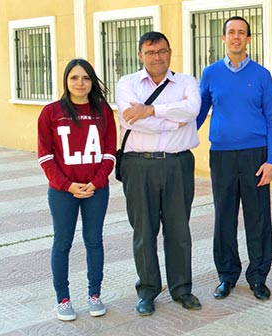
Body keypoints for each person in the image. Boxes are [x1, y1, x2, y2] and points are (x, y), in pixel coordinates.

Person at [116, 31, 202, 316]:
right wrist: (170, 121)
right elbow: (130, 120)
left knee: (179, 229)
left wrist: (150, 110)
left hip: (178, 164)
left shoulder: (187, 81)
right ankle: (148, 291)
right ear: (140, 55)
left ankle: (182, 289)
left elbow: (192, 110)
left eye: (162, 51)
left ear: (170, 52)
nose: (157, 57)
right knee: (144, 230)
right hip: (139, 165)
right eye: (150, 52)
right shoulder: (127, 83)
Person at [197, 16, 272, 301]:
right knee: (224, 218)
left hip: (255, 156)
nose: (236, 37)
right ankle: (227, 275)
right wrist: (174, 140)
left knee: (258, 219)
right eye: (231, 32)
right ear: (223, 38)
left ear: (248, 39)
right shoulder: (210, 74)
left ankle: (258, 276)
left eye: (241, 33)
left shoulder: (261, 74)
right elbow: (197, 113)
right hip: (221, 156)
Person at [37, 58, 116, 321]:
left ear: (92, 81)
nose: (80, 83)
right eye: (74, 78)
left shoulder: (103, 112)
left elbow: (109, 153)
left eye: (85, 78)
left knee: (94, 241)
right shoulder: (51, 112)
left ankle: (95, 294)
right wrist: (67, 185)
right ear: (66, 81)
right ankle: (63, 298)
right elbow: (45, 156)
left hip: (96, 189)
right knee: (62, 243)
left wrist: (96, 182)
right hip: (63, 192)